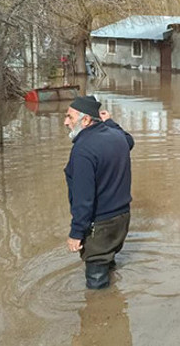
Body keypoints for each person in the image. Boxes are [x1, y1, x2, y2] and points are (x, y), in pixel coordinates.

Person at [64, 95, 134, 289]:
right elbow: (130, 141)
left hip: (100, 225)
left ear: (85, 120)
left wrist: (76, 233)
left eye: (70, 117)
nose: (65, 122)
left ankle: (101, 314)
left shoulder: (82, 150)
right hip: (122, 219)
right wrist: (110, 122)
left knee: (96, 286)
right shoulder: (117, 137)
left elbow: (84, 198)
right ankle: (115, 304)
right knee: (109, 264)